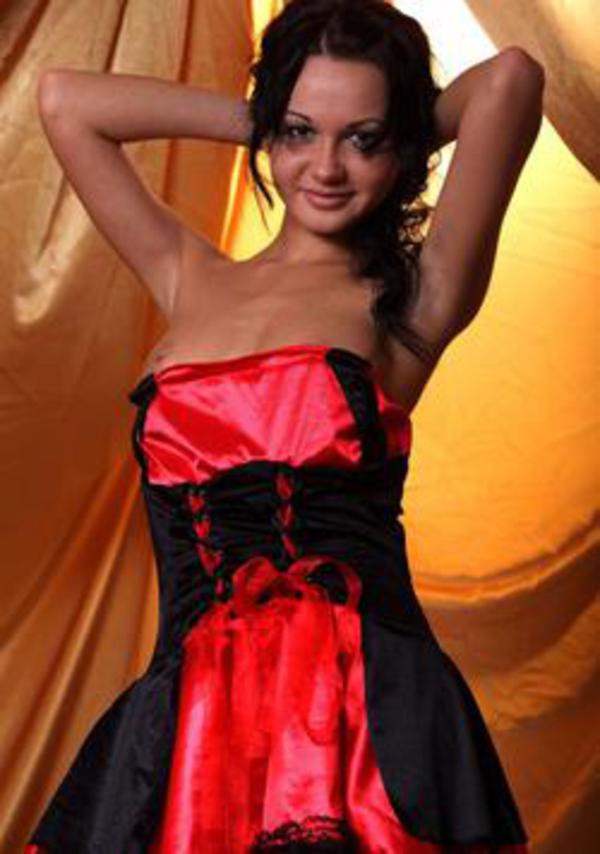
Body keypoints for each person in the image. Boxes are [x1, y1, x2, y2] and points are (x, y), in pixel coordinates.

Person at [27, 0, 545, 851]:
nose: (327, 169)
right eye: (302, 134)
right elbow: (63, 101)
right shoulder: (185, 273)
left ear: (400, 146)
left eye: (363, 141)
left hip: (368, 725)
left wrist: (381, 127)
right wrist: (273, 119)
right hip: (191, 730)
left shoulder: (415, 297)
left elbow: (511, 81)